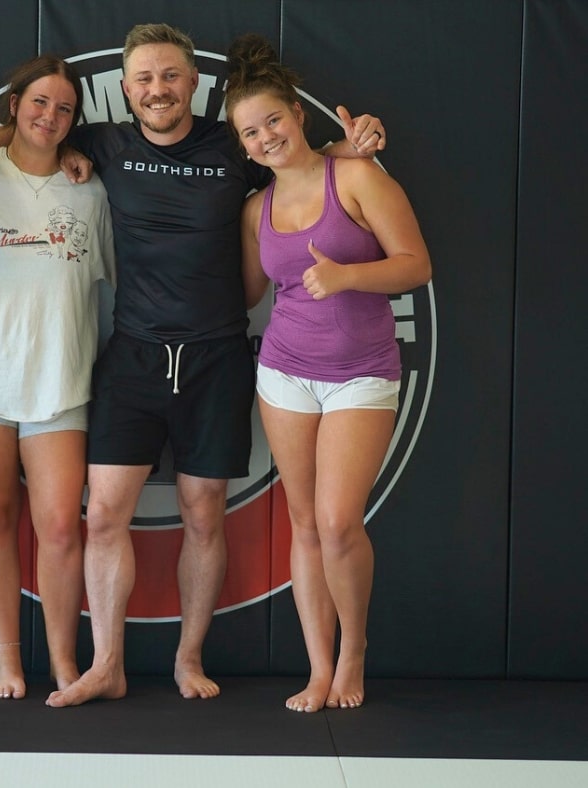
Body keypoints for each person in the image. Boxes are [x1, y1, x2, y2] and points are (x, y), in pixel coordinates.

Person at [27, 23, 384, 707]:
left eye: (169, 76)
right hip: (132, 355)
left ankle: (189, 659)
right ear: (126, 90)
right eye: (144, 79)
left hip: (217, 357)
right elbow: (21, 137)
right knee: (102, 515)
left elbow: (307, 164)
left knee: (204, 513)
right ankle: (107, 663)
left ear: (195, 84)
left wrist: (355, 143)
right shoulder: (103, 143)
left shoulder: (236, 147)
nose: (157, 89)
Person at [226, 34, 431, 712]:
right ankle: (317, 669)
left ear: (297, 115)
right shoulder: (256, 210)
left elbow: (414, 265)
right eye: (250, 133)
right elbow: (251, 296)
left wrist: (347, 274)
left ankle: (354, 652)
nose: (265, 137)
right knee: (305, 524)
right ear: (244, 145)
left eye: (273, 121)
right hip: (284, 372)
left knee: (340, 522)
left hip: (361, 374)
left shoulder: (361, 176)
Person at [0, 56, 114, 700]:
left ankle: (65, 663)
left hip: (61, 377)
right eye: (39, 103)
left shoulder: (91, 190)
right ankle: (7, 662)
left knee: (63, 524)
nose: (50, 117)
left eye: (64, 109)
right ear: (12, 105)